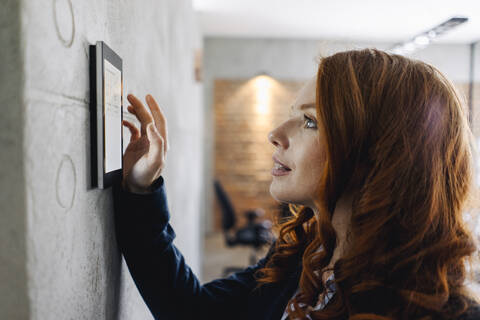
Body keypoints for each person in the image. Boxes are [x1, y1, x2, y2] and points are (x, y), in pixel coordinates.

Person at [113, 48, 480, 320]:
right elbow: (191, 311)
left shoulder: (444, 313)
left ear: (380, 153)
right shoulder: (306, 259)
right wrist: (143, 187)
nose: (275, 134)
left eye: (309, 122)